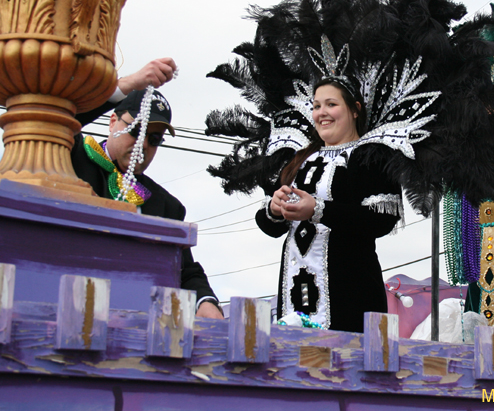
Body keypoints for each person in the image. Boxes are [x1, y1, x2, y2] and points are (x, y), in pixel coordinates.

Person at [72, 62, 224, 319]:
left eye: (154, 139)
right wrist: (124, 86)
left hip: (134, 323)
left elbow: (185, 271)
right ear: (112, 122)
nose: (143, 144)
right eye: (136, 130)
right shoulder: (74, 157)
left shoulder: (166, 206)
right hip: (69, 307)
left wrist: (205, 302)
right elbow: (58, 116)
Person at [255, 77, 402, 332]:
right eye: (316, 106)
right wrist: (274, 209)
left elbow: (380, 220)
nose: (321, 113)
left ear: (355, 109)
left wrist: (318, 210)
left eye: (331, 104)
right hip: (294, 295)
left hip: (351, 295)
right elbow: (269, 226)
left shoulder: (371, 156)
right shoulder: (299, 159)